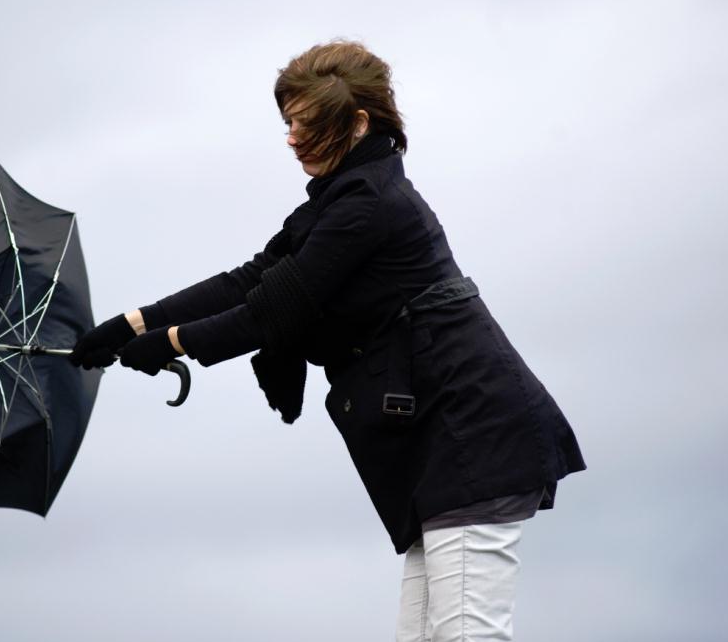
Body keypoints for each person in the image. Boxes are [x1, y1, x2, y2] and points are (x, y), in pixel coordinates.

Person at [69, 40, 586, 641]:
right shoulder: (341, 201)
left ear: (358, 122)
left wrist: (171, 343)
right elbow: (253, 279)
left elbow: (271, 312)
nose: (290, 137)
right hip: (439, 448)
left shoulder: (369, 205)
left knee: (468, 635)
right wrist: (132, 325)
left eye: (304, 122)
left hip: (473, 438)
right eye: (287, 122)